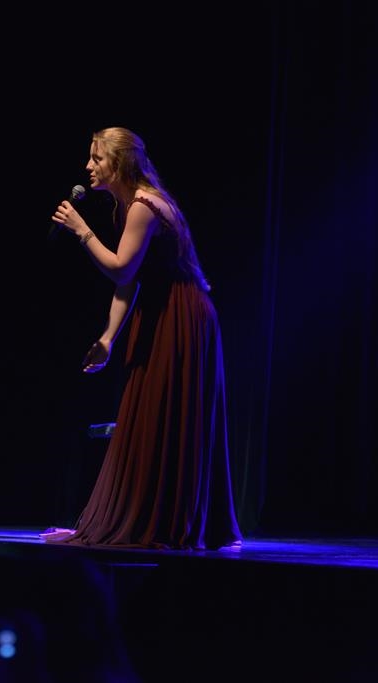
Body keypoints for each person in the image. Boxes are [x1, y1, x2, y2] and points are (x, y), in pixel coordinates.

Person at [42, 127, 242, 550]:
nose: (88, 166)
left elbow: (120, 268)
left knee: (164, 413)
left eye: (97, 158)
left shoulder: (143, 206)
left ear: (119, 164)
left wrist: (82, 231)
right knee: (151, 414)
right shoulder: (126, 206)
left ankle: (163, 522)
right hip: (162, 312)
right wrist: (109, 338)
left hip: (181, 315)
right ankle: (150, 516)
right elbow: (128, 282)